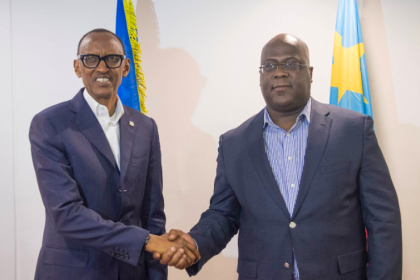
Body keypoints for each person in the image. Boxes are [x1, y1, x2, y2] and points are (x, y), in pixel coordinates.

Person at [155, 34, 402, 280]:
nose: (280, 72)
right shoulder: (233, 144)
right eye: (270, 65)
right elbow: (224, 214)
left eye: (291, 64)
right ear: (261, 76)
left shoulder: (352, 130)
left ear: (311, 72)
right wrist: (193, 245)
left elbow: (383, 220)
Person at [29, 29, 199, 280]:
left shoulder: (145, 127)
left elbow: (153, 213)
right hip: (73, 272)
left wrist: (157, 272)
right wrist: (147, 241)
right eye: (90, 59)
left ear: (126, 66)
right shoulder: (50, 123)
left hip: (132, 273)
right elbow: (66, 214)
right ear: (77, 67)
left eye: (112, 59)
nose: (102, 68)